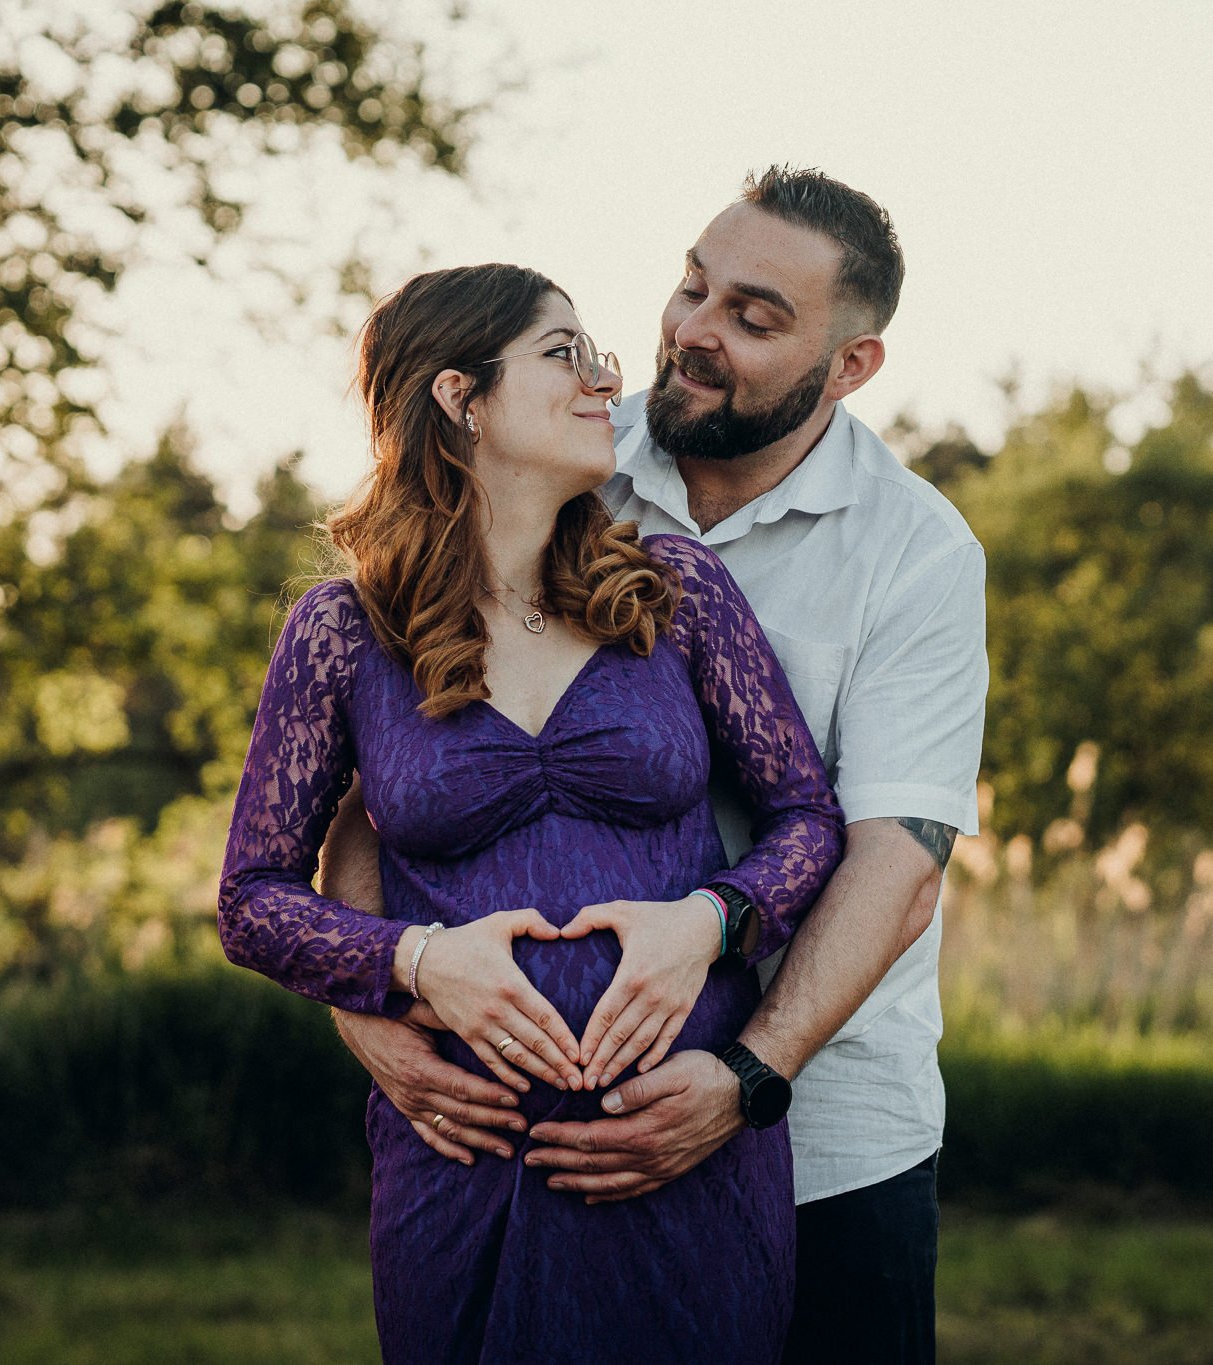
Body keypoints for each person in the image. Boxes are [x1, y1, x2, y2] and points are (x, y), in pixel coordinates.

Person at [327, 168, 987, 1364]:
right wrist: (371, 1014)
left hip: (825, 1120)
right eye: (692, 286)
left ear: (848, 367)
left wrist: (746, 1075)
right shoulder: (556, 453)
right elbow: (383, 788)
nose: (692, 332)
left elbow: (899, 860)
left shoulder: (915, 552)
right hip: (519, 1129)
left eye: (753, 317)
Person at [216, 262, 845, 1364]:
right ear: (459, 399)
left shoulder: (673, 591)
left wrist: (709, 920)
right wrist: (416, 963)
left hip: (682, 1155)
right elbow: (253, 899)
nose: (606, 379)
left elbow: (806, 819)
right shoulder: (342, 634)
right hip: (466, 1161)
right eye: (564, 354)